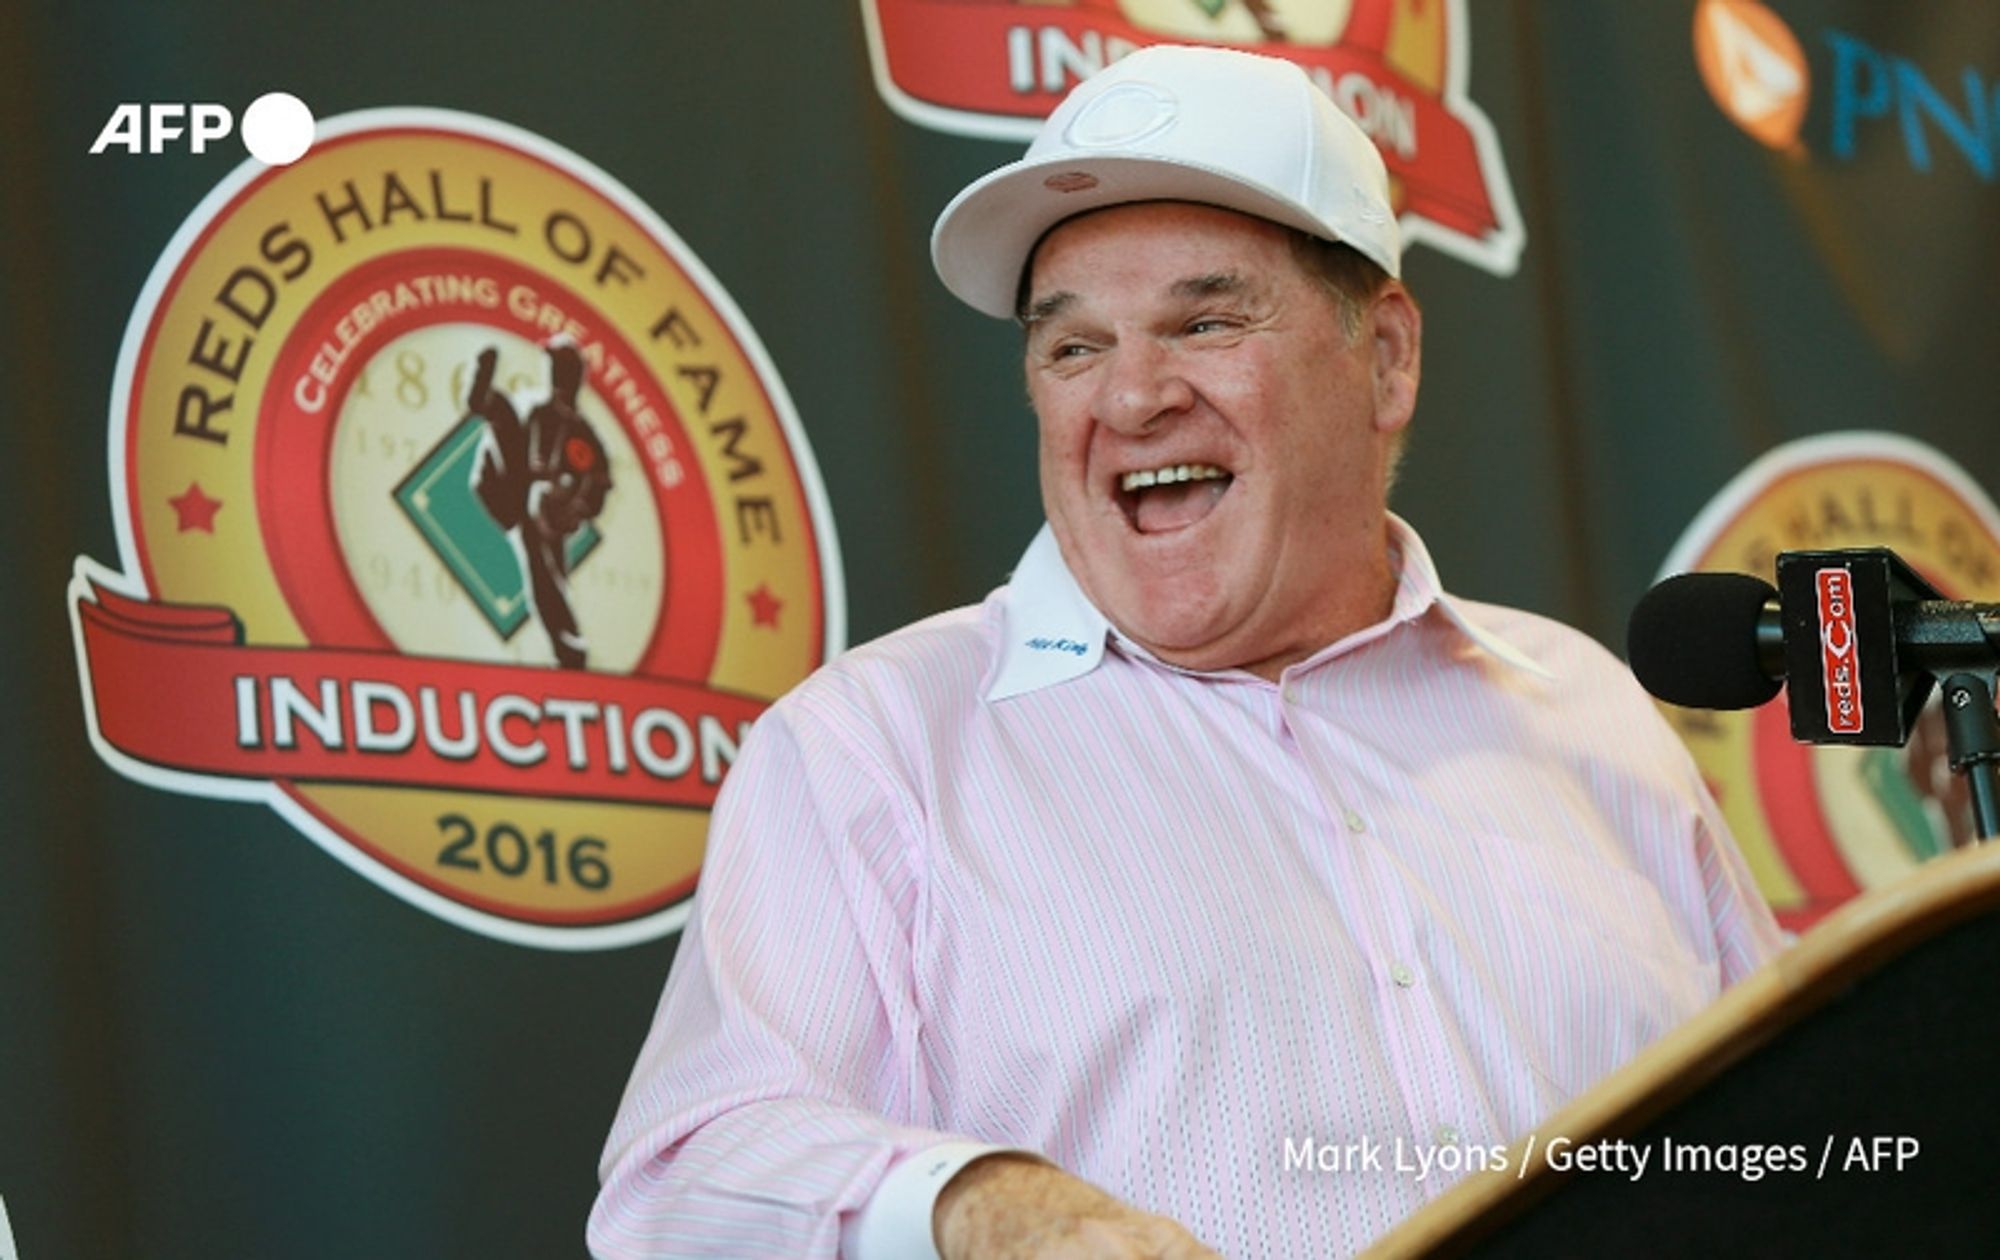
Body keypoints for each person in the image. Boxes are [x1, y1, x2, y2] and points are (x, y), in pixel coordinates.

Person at [589, 44, 1784, 1259]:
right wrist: (993, 1211)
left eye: (1203, 322)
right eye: (1071, 349)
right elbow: (683, 1185)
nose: (1129, 398)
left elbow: (1798, 1130)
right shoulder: (872, 747)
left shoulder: (1582, 707)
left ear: (1384, 361)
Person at [468, 339, 612, 669]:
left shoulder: (583, 433)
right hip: (510, 494)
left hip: (554, 515)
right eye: (554, 369)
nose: (556, 377)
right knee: (537, 548)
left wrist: (576, 506)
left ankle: (567, 649)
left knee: (549, 568)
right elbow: (502, 426)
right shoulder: (534, 411)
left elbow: (599, 484)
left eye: (561, 370)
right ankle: (568, 646)